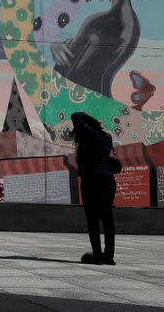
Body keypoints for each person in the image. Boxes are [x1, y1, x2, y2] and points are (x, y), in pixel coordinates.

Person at [71, 111, 117, 265]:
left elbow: (75, 116)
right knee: (107, 218)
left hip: (92, 180)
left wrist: (84, 118)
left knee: (92, 219)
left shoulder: (91, 135)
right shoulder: (107, 137)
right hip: (108, 181)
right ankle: (109, 256)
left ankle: (97, 255)